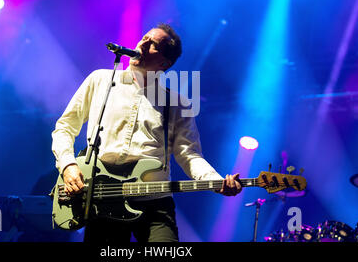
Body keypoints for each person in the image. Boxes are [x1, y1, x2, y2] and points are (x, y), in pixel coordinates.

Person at [51, 23, 242, 242]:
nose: (143, 43)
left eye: (153, 45)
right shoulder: (100, 80)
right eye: (144, 38)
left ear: (164, 62)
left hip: (154, 200)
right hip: (103, 195)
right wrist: (68, 165)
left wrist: (217, 182)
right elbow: (65, 127)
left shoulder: (176, 103)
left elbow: (189, 155)